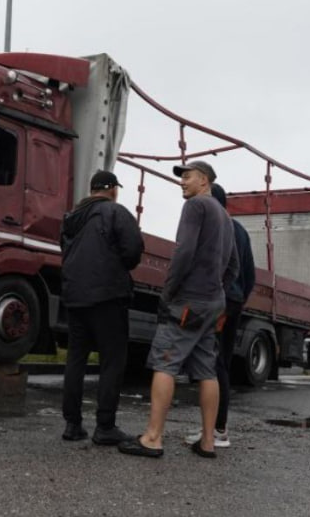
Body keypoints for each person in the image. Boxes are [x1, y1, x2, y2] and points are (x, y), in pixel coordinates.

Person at [119, 160, 237, 459]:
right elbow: (233, 267)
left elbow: (183, 252)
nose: (182, 182)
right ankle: (208, 441)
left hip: (188, 300)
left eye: (188, 177)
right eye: (181, 177)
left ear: (205, 181)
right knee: (206, 369)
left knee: (165, 363)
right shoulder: (225, 216)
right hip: (213, 303)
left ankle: (153, 438)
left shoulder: (196, 207)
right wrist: (216, 289)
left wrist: (169, 291)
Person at [59, 169, 145, 446]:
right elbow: (133, 250)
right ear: (111, 189)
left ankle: (72, 424)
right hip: (108, 296)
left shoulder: (71, 217)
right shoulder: (115, 212)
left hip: (74, 296)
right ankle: (105, 426)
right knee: (112, 360)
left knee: (76, 359)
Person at [185, 182, 255, 449]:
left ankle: (217, 430)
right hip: (232, 300)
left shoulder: (210, 226)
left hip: (216, 299)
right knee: (219, 361)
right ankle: (213, 426)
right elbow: (249, 274)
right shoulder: (239, 229)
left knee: (213, 364)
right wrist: (238, 298)